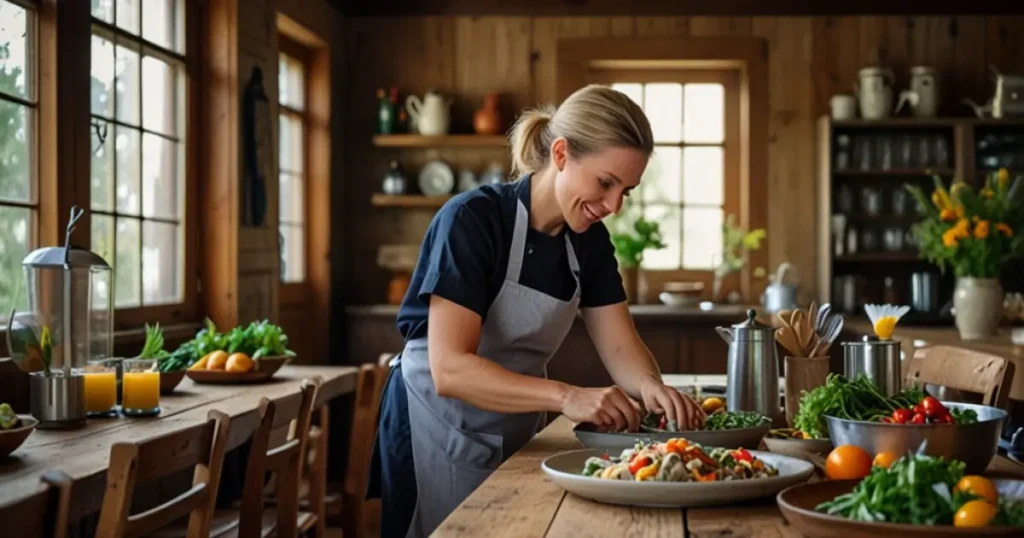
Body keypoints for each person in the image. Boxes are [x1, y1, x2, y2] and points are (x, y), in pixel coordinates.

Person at [366, 84, 707, 538]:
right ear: (562, 154)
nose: (613, 206)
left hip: (516, 423)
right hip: (435, 421)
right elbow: (451, 370)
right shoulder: (473, 221)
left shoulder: (588, 241)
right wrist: (568, 397)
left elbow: (621, 344)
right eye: (606, 183)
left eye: (626, 190)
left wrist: (650, 387)